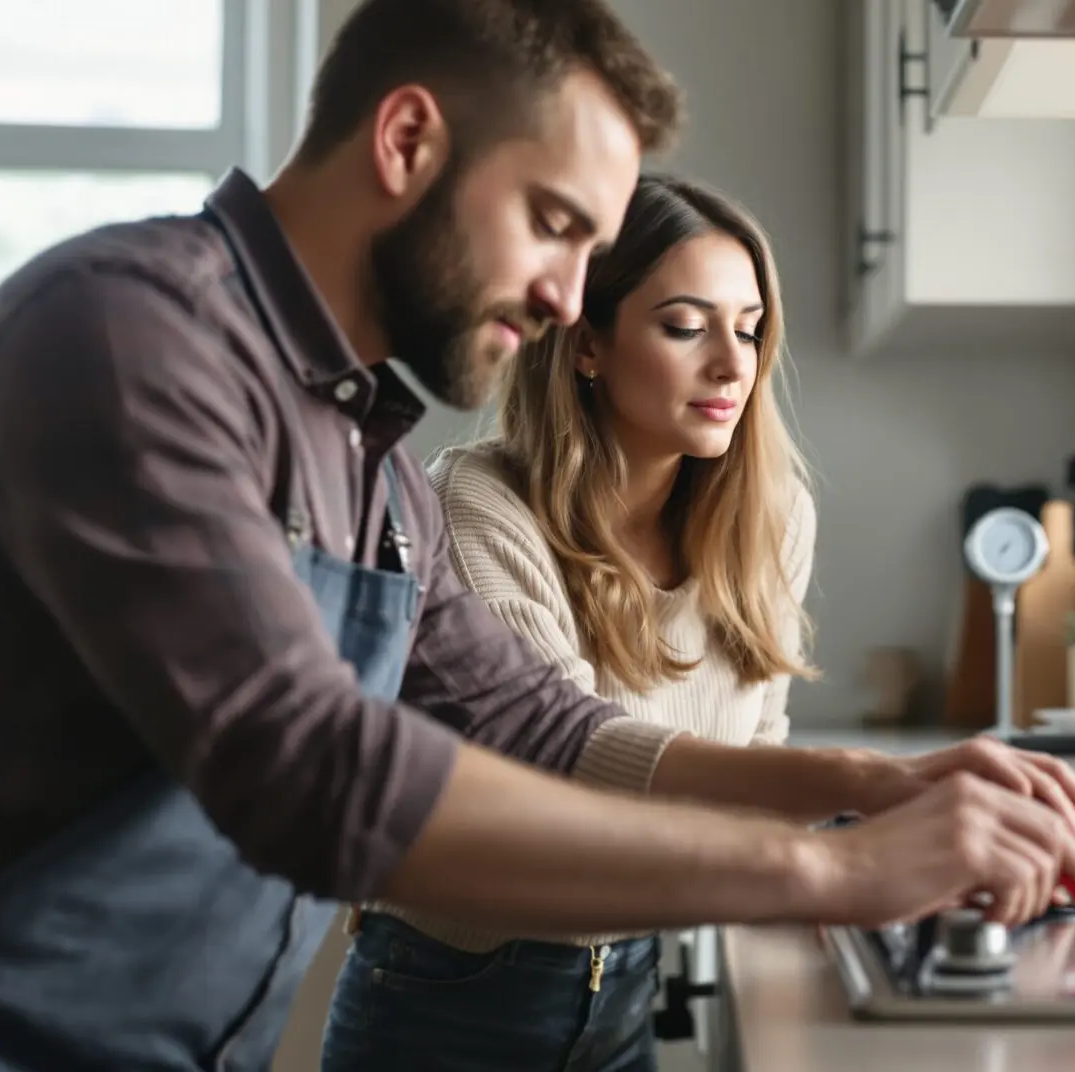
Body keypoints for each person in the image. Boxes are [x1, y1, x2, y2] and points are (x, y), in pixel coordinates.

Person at [0, 2, 1075, 1069]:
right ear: (407, 144)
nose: (570, 293)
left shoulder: (374, 461)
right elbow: (310, 771)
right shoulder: (129, 337)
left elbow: (542, 724)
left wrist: (868, 784)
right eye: (554, 224)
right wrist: (827, 868)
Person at [322, 174, 817, 1070]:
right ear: (587, 343)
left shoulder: (772, 521)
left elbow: (759, 758)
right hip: (453, 989)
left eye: (748, 329)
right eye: (685, 326)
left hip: (628, 976)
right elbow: (568, 775)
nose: (732, 364)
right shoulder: (476, 503)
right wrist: (845, 829)